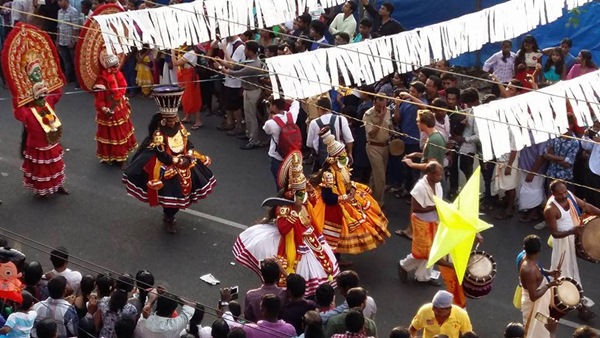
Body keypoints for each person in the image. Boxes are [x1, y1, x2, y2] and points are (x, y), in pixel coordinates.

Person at [232, 151, 339, 298]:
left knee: (322, 265)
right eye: (300, 192)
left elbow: (312, 204)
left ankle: (305, 291)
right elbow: (283, 229)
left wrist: (308, 191)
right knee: (294, 268)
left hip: (310, 238)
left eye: (303, 191)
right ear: (291, 193)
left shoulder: (304, 198)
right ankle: (293, 291)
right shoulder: (284, 207)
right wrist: (294, 211)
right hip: (292, 242)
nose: (304, 195)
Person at [122, 85, 216, 234]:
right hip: (168, 164)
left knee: (187, 189)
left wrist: (190, 153)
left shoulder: (180, 128)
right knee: (170, 195)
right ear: (164, 121)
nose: (173, 122)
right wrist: (177, 161)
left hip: (184, 160)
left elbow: (188, 143)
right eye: (170, 120)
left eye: (175, 119)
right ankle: (169, 217)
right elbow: (161, 154)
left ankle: (172, 213)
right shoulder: (159, 134)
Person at [311, 129, 390, 262]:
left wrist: (352, 188)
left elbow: (346, 183)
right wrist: (345, 198)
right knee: (335, 234)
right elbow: (328, 198)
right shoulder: (329, 175)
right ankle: (332, 260)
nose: (345, 157)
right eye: (342, 155)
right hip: (333, 207)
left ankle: (336, 258)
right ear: (335, 158)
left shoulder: (342, 168)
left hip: (344, 200)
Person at [7, 34, 69, 198]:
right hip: (37, 144)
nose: (43, 93)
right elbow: (18, 112)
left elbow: (57, 92)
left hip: (52, 139)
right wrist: (17, 94)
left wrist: (56, 76)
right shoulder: (27, 110)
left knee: (56, 163)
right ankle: (42, 191)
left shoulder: (48, 100)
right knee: (41, 168)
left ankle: (58, 185)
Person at [544, 180, 600, 320]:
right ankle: (573, 304)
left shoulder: (568, 194)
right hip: (562, 242)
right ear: (553, 194)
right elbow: (554, 234)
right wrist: (572, 231)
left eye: (565, 191)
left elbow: (586, 206)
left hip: (572, 237)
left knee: (570, 270)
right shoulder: (551, 209)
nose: (564, 195)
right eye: (560, 193)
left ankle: (563, 298)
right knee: (563, 271)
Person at [398, 161, 443, 286]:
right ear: (429, 174)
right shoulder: (419, 187)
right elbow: (416, 209)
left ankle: (424, 277)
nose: (441, 177)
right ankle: (404, 265)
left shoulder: (438, 185)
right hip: (421, 223)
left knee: (432, 251)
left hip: (435, 221)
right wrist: (435, 207)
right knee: (422, 252)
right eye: (438, 175)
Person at [92, 53, 138, 165]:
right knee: (112, 136)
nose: (116, 68)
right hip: (109, 111)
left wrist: (122, 98)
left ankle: (122, 156)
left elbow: (121, 89)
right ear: (108, 68)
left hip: (121, 107)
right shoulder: (101, 82)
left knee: (123, 133)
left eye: (117, 65)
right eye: (114, 66)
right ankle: (112, 157)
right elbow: (100, 100)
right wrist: (104, 109)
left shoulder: (118, 74)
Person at [221, 40, 267, 150]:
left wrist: (222, 69)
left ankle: (254, 140)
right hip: (248, 90)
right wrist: (223, 63)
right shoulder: (250, 60)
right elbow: (237, 66)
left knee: (251, 117)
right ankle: (249, 134)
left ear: (251, 51)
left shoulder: (253, 65)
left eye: (246, 49)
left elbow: (237, 73)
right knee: (247, 115)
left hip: (252, 92)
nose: (244, 50)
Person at [517, 234, 560, 337]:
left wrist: (550, 273)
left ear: (524, 248)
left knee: (540, 327)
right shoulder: (529, 270)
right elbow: (533, 297)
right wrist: (549, 285)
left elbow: (538, 270)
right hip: (534, 305)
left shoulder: (524, 257)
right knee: (532, 329)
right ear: (540, 249)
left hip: (538, 300)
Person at [363, 93, 393, 207]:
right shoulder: (368, 114)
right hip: (373, 147)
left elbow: (390, 125)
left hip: (385, 147)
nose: (383, 109)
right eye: (380, 106)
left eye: (384, 105)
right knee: (380, 178)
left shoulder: (388, 111)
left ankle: (369, 197)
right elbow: (371, 133)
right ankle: (379, 204)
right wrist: (380, 119)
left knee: (376, 175)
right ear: (374, 102)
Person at [171, 45, 203, 130]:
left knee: (193, 97)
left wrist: (172, 52)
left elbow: (175, 63)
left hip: (190, 76)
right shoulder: (185, 52)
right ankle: (187, 116)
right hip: (185, 74)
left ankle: (198, 120)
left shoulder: (190, 53)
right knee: (185, 96)